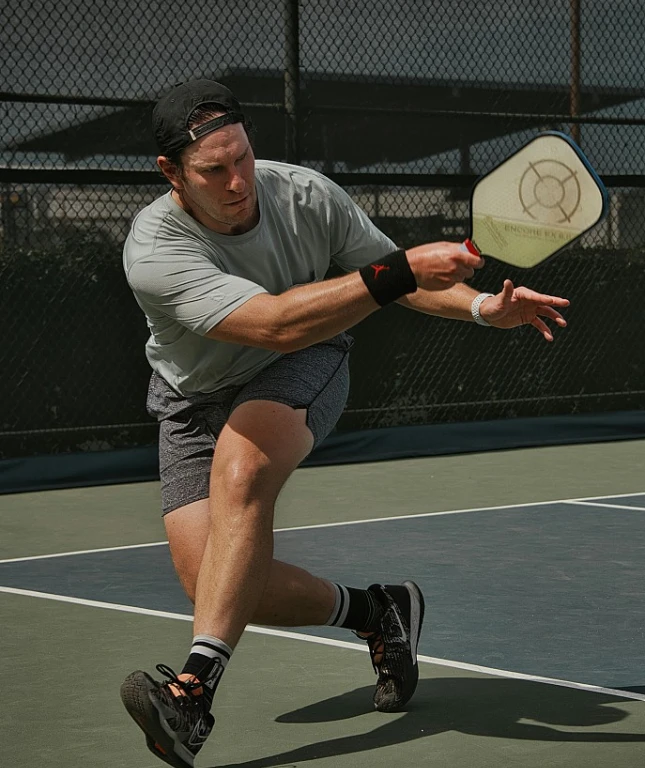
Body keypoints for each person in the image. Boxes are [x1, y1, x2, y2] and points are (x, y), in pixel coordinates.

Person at [119, 78, 570, 768]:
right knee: (214, 580)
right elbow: (274, 320)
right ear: (171, 172)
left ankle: (192, 695)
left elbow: (398, 282)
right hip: (193, 397)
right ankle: (376, 611)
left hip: (303, 361)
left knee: (242, 470)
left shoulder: (305, 196)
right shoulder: (155, 249)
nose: (238, 181)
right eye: (214, 169)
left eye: (242, 157)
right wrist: (399, 271)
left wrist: (484, 308)